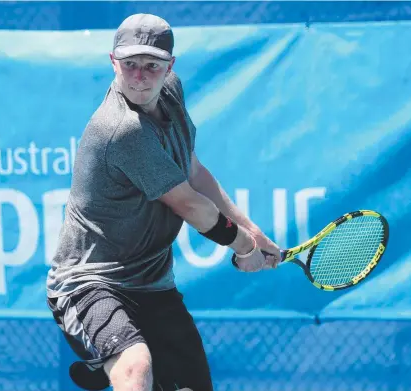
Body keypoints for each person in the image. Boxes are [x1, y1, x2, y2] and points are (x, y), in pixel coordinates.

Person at [46, 13, 281, 391]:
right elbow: (189, 204)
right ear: (113, 62)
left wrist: (254, 234)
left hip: (153, 284)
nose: (140, 76)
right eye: (130, 65)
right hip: (89, 283)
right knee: (135, 365)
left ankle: (103, 365)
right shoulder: (121, 131)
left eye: (152, 66)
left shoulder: (171, 91)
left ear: (170, 67)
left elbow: (193, 172)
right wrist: (242, 246)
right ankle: (108, 361)